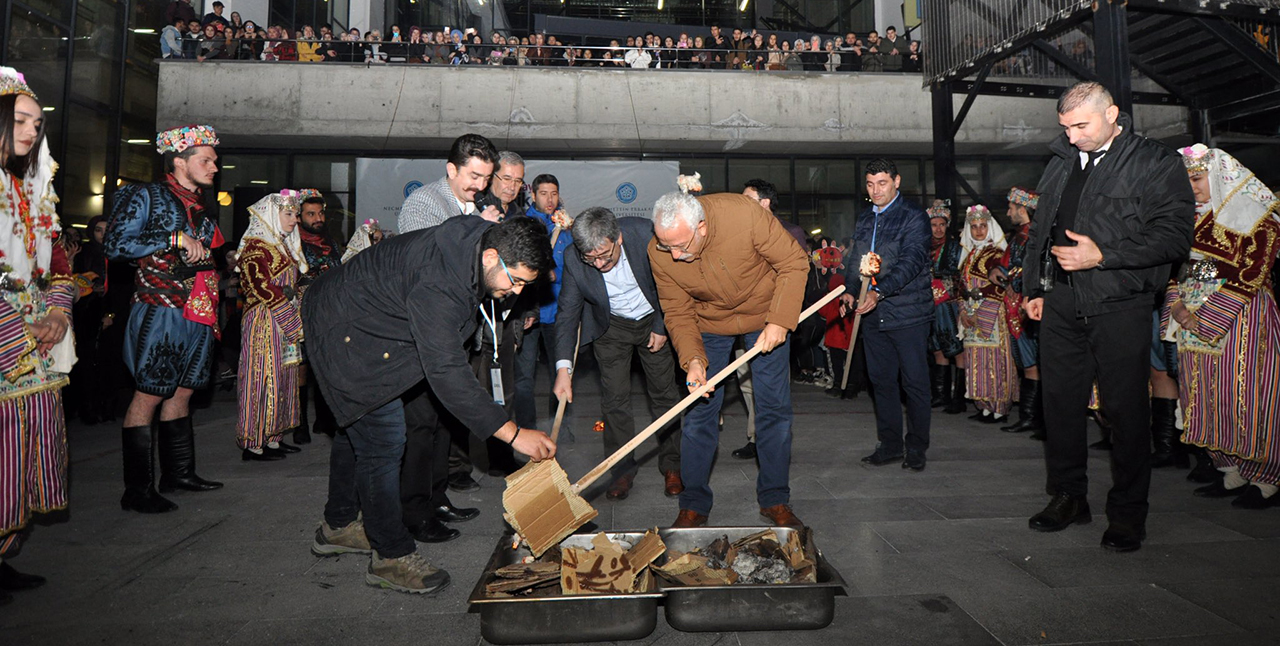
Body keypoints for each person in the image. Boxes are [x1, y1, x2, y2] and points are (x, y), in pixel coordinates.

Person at [305, 216, 555, 594]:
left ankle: (338, 526)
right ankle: (390, 556)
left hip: (372, 319)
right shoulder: (440, 283)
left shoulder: (477, 244)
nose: (516, 292)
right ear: (491, 257)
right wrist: (513, 434)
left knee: (355, 426)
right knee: (383, 440)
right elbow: (446, 370)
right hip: (344, 327)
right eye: (515, 280)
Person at [1022, 82, 1194, 552]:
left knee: (1125, 411)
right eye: (1066, 127)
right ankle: (1068, 496)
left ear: (1112, 114)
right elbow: (1042, 230)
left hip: (1120, 302)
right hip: (1059, 301)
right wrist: (1034, 287)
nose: (1073, 136)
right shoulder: (1060, 161)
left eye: (1082, 126)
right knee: (1057, 406)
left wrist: (1104, 256)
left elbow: (1175, 237)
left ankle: (1127, 515)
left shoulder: (1155, 162)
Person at [649, 191, 809, 528]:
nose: (674, 256)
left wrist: (779, 320)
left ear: (702, 227)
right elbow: (677, 311)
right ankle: (693, 504)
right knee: (698, 412)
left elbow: (794, 262)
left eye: (681, 245)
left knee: (773, 409)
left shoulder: (745, 215)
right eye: (667, 246)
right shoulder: (660, 251)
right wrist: (693, 360)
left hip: (766, 313)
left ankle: (775, 498)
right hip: (709, 323)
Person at [106, 124, 227, 514]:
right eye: (205, 160)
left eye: (214, 160)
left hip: (198, 310)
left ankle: (178, 473)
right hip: (161, 309)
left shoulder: (202, 207)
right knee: (150, 393)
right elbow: (115, 244)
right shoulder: (147, 194)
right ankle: (136, 490)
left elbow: (203, 257)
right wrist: (173, 239)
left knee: (185, 391)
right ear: (180, 162)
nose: (214, 167)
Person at [1167, 145, 1280, 509]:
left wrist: (1206, 316)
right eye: (1187, 180)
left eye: (1197, 179)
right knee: (1205, 393)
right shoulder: (1184, 217)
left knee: (1245, 393)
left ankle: (1266, 475)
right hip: (1191, 314)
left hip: (1240, 316)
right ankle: (1229, 468)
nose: (1192, 187)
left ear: (1217, 177)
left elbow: (1251, 275)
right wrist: (1178, 308)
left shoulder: (1256, 218)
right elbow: (1171, 266)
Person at [0, 66, 74, 606]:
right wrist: (16, 331)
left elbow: (58, 266)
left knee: (24, 449)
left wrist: (58, 314)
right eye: (20, 120)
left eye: (37, 122)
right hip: (8, 338)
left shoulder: (32, 188)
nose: (31, 130)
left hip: (36, 335)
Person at [554, 208, 683, 501]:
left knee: (664, 395)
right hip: (610, 327)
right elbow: (567, 313)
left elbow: (671, 284)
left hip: (652, 319)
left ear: (618, 238)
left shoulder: (645, 236)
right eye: (591, 258)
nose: (598, 264)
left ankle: (673, 465)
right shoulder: (576, 258)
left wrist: (662, 325)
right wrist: (564, 368)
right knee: (614, 401)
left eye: (604, 256)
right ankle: (621, 469)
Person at [841, 159, 933, 471]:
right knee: (881, 382)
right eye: (869, 184)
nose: (875, 190)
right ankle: (890, 443)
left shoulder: (914, 216)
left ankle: (917, 446)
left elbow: (912, 261)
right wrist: (850, 288)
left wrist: (879, 293)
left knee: (915, 382)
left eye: (882, 183)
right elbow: (857, 259)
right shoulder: (867, 217)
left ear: (896, 181)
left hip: (908, 312)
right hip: (872, 315)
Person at [235, 190, 306, 461]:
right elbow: (261, 287)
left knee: (283, 377)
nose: (294, 220)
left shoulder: (282, 244)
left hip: (283, 317)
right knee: (260, 378)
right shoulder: (256, 246)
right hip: (265, 319)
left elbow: (290, 286)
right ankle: (253, 443)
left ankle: (274, 438)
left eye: (295, 214)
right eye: (289, 214)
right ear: (271, 216)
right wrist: (291, 318)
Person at [513, 174, 575, 442]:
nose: (549, 200)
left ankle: (557, 426)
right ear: (533, 195)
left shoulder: (566, 226)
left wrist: (557, 275)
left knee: (559, 372)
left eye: (554, 194)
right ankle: (526, 429)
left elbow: (573, 267)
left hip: (558, 312)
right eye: (543, 194)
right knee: (523, 377)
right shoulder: (523, 224)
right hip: (529, 312)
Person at [957, 205, 1016, 424]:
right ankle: (983, 405)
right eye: (974, 227)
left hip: (991, 314)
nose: (979, 231)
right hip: (972, 313)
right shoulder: (969, 255)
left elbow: (1002, 285)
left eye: (983, 226)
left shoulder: (997, 254)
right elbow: (961, 285)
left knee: (994, 359)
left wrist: (980, 304)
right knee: (977, 360)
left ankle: (999, 407)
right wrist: (963, 310)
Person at [295, 189, 342, 443]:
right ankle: (299, 424)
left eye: (321, 213)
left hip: (329, 313)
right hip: (301, 312)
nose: (318, 218)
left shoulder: (331, 242)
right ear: (300, 216)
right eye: (311, 214)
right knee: (302, 368)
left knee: (327, 367)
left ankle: (324, 421)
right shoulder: (293, 242)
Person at [999, 187, 1044, 433]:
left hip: (1032, 308)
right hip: (1017, 309)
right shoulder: (1017, 238)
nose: (1008, 213)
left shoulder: (1035, 238)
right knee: (1027, 364)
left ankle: (1040, 419)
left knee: (1039, 363)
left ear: (1022, 209)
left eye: (1011, 208)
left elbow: (1031, 274)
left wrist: (1013, 280)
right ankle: (1029, 417)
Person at [398, 133, 502, 231]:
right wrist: (479, 227)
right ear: (452, 171)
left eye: (487, 179)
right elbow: (425, 247)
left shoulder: (480, 207)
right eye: (474, 177)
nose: (481, 186)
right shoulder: (423, 201)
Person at [924, 200, 965, 413]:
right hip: (930, 304)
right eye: (934, 225)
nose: (938, 229)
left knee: (956, 349)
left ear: (947, 225)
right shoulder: (924, 247)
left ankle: (958, 399)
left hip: (948, 304)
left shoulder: (956, 247)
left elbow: (959, 274)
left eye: (941, 224)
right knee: (937, 349)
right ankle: (940, 395)